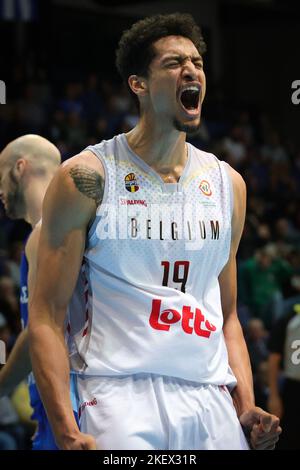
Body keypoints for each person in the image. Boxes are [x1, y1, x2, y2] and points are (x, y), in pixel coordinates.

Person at [29, 13, 281, 450]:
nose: (192, 70)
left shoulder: (228, 185)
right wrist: (67, 432)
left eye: (197, 62)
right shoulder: (88, 177)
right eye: (173, 62)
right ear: (138, 85)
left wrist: (245, 405)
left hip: (208, 396)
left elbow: (228, 318)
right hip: (116, 393)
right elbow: (46, 318)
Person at [0, 134, 78, 449]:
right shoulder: (46, 234)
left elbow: (38, 331)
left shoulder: (46, 233)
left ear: (20, 168)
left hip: (70, 411)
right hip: (53, 410)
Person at [268, 299, 300, 449]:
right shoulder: (290, 318)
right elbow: (274, 359)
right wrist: (273, 396)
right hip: (294, 389)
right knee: (290, 438)